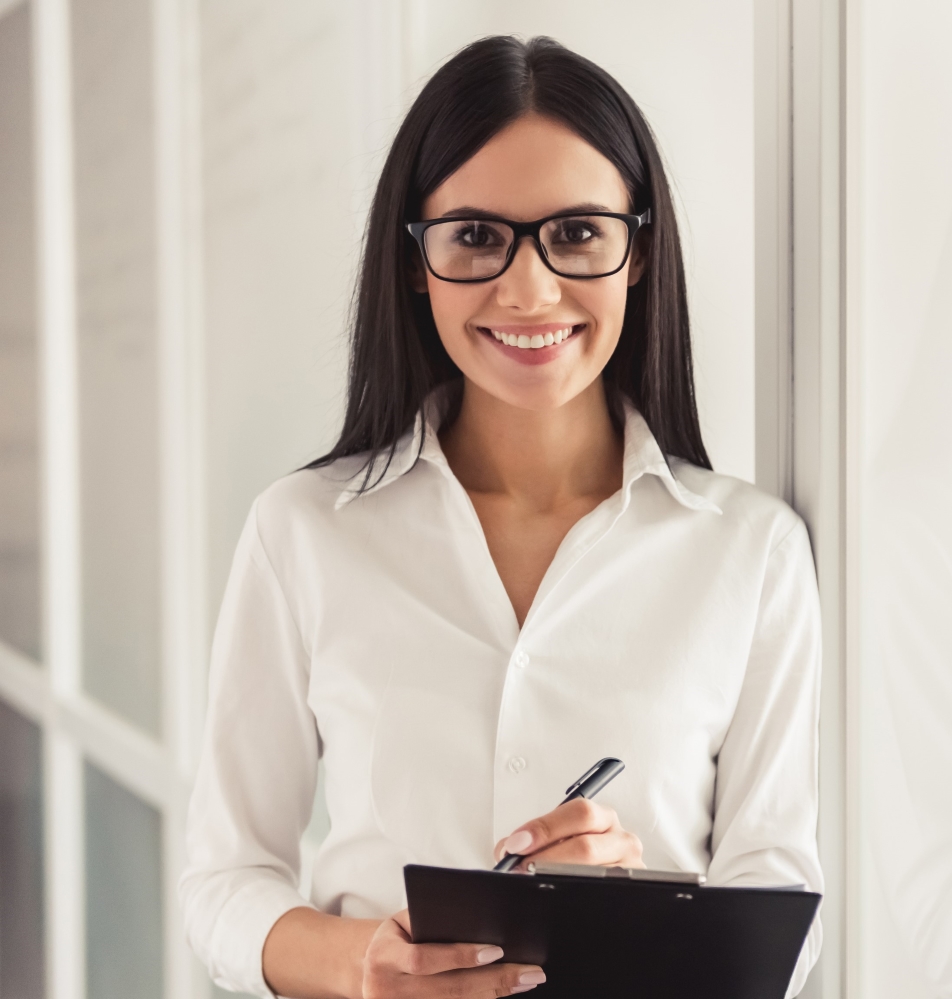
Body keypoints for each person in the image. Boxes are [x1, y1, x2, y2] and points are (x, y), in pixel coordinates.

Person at [180, 35, 823, 999]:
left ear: (639, 249)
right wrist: (362, 965)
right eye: (477, 236)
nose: (528, 288)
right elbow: (223, 881)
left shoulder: (752, 550)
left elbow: (782, 897)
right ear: (414, 260)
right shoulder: (303, 532)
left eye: (577, 233)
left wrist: (636, 915)